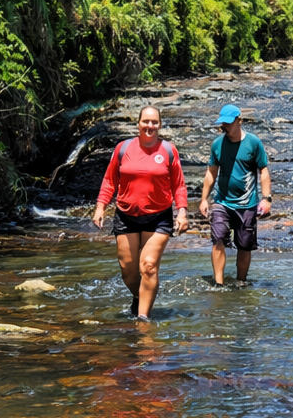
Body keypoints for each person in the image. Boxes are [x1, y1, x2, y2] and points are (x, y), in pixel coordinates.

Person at [92, 106, 188, 321]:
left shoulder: (168, 150)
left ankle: (143, 319)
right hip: (126, 215)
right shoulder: (123, 148)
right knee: (128, 269)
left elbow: (179, 185)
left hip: (159, 217)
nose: (150, 126)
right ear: (138, 123)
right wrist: (101, 207)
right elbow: (110, 180)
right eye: (146, 121)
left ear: (160, 125)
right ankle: (140, 296)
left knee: (149, 266)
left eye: (154, 122)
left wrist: (181, 212)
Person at [199, 104, 272, 286]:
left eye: (229, 123)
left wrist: (266, 198)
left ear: (239, 121)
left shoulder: (253, 143)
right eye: (223, 122)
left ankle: (241, 282)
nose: (225, 126)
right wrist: (203, 199)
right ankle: (219, 284)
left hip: (247, 203)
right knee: (218, 239)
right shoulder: (218, 144)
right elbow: (211, 172)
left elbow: (263, 170)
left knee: (244, 245)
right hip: (222, 201)